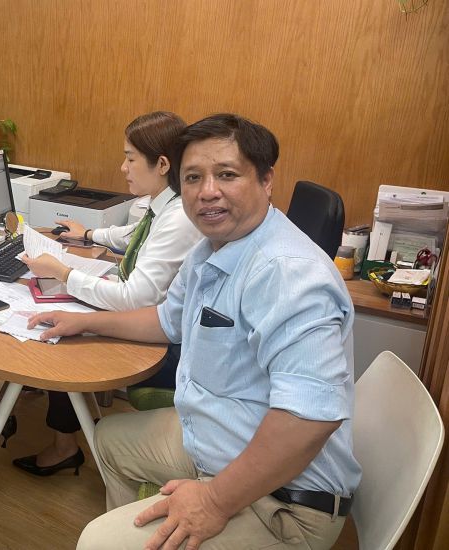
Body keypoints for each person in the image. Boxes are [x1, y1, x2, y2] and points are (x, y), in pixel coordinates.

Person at [31, 114, 361, 549]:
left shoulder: (288, 274)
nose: (207, 191)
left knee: (97, 541)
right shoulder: (212, 248)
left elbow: (310, 417)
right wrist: (85, 321)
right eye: (193, 177)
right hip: (220, 438)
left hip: (286, 503)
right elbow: (169, 320)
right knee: (108, 440)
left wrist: (213, 501)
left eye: (226, 175)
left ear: (266, 180)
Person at [0, 111, 202, 476]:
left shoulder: (179, 218)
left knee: (60, 336)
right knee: (62, 309)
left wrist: (63, 271)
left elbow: (134, 298)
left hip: (169, 348)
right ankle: (14, 409)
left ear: (163, 163)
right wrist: (87, 235)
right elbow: (135, 234)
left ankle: (64, 446)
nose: (123, 167)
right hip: (157, 322)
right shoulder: (166, 205)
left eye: (130, 158)